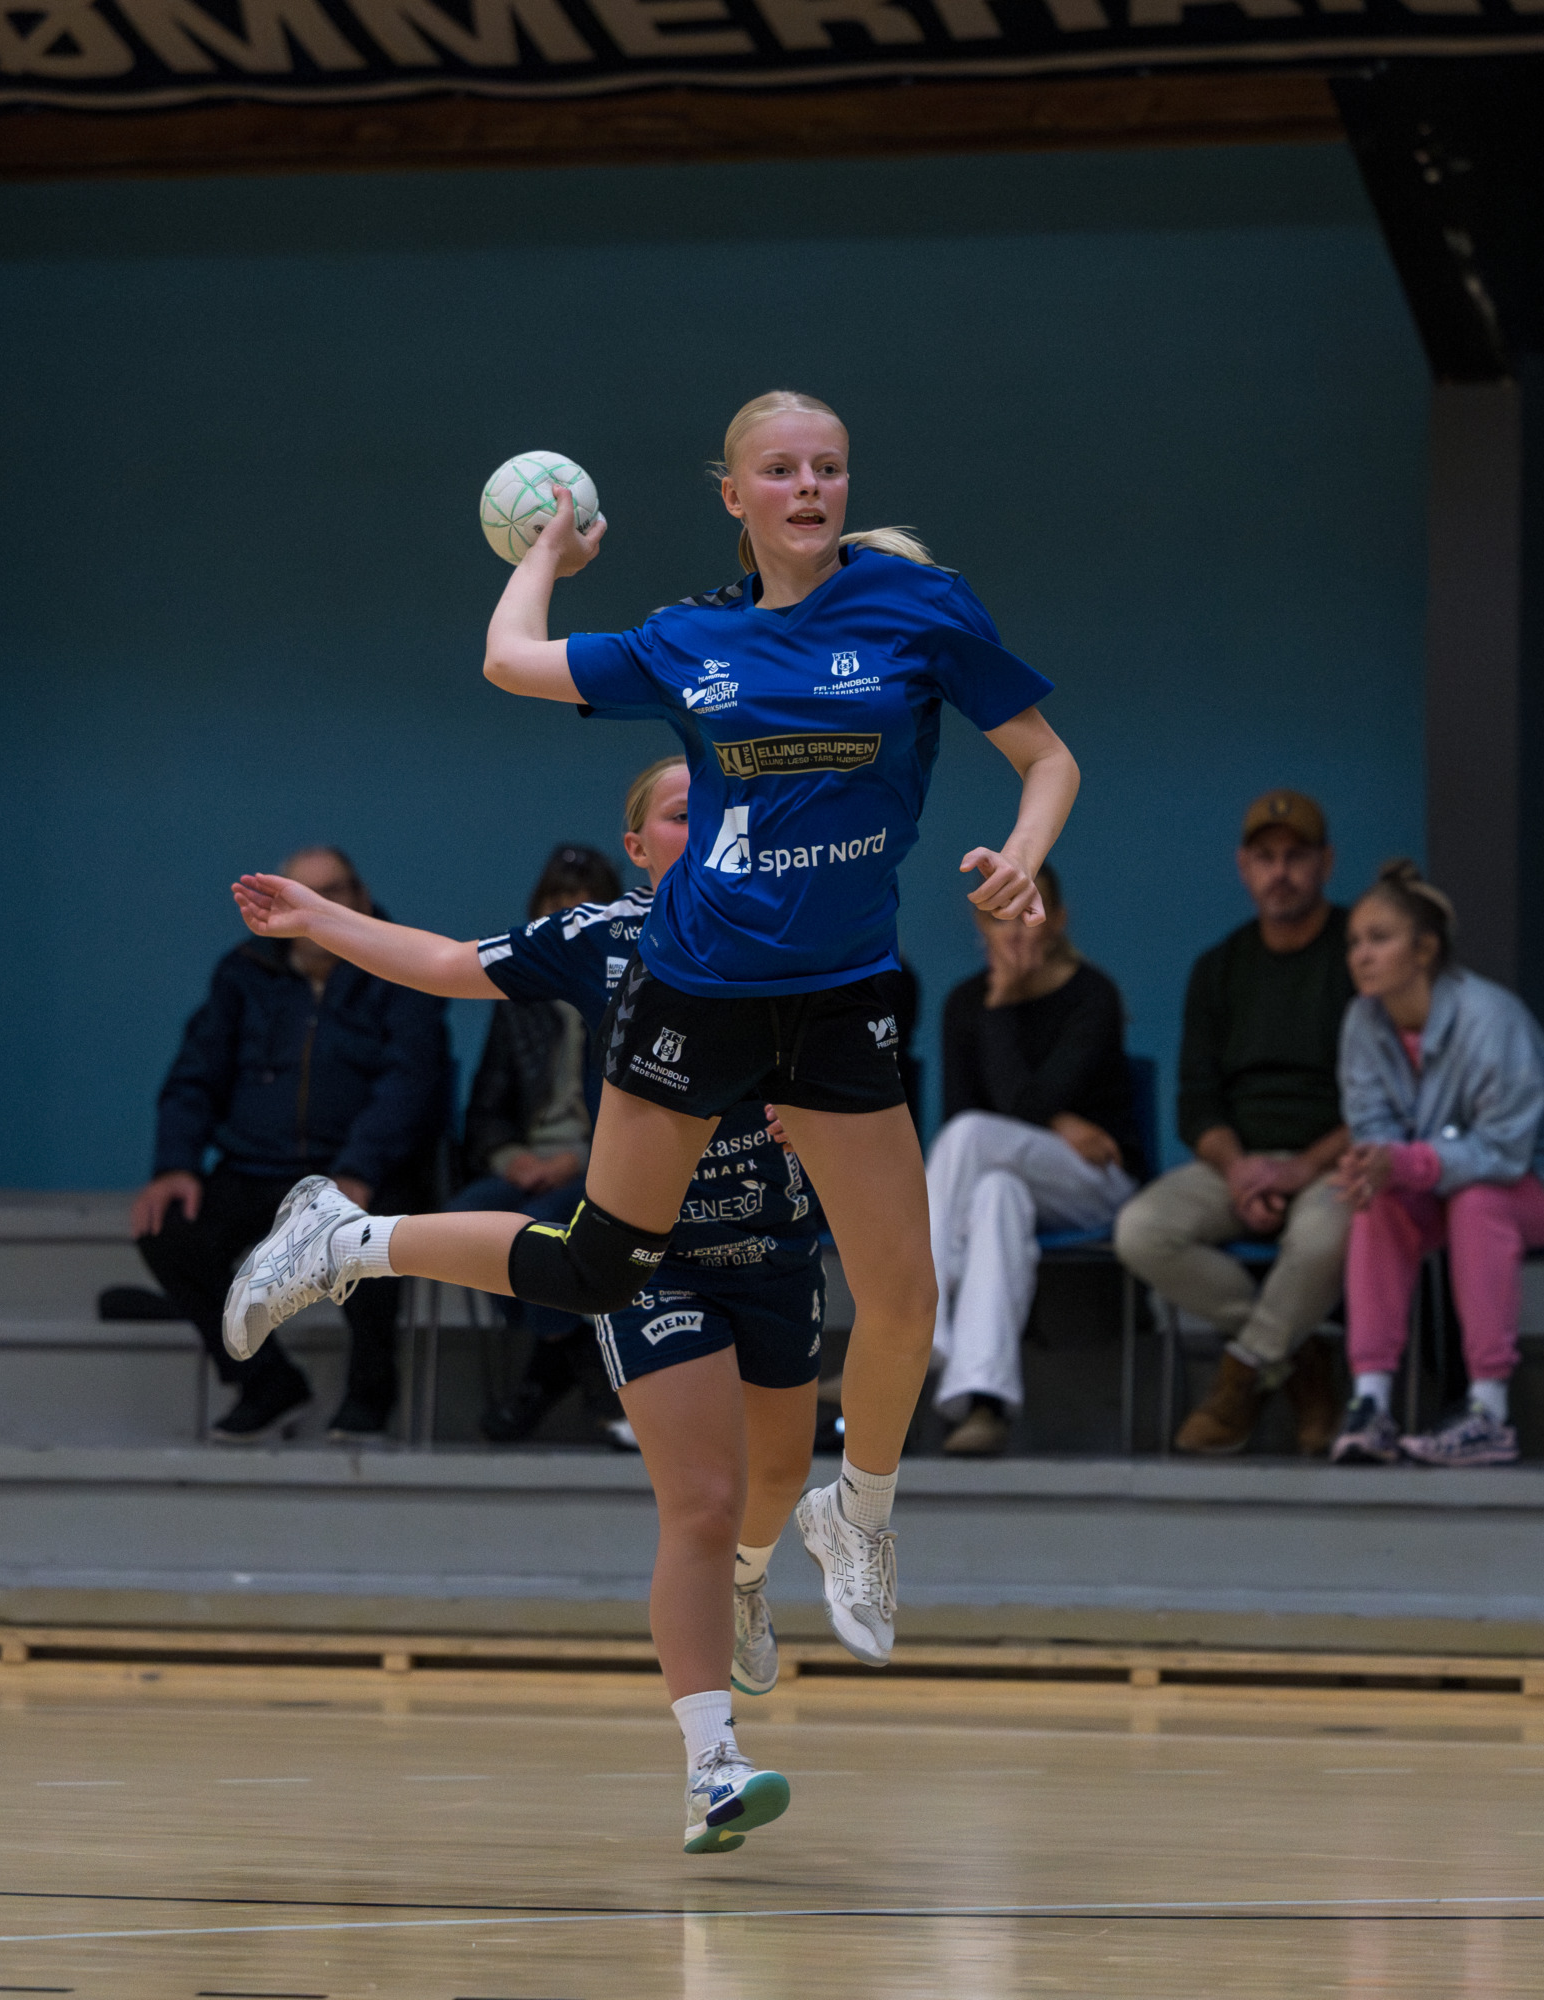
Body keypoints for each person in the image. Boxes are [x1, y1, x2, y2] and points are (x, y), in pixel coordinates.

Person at [219, 388, 1076, 1694]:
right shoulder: (691, 638)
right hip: (697, 985)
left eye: (828, 467)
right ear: (734, 495)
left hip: (841, 990)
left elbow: (1048, 759)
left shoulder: (921, 610)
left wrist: (1020, 857)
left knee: (907, 1296)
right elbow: (511, 662)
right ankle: (343, 1241)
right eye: (779, 470)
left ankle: (860, 1515)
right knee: (599, 1261)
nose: (808, 487)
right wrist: (548, 555)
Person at [229, 757, 821, 1854]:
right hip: (652, 1258)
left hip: (777, 1247)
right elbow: (448, 962)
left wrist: (821, 1110)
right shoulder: (608, 935)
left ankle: (747, 1580)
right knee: (701, 1502)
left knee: (776, 1480)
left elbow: (863, 1081)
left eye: (720, 805)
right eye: (679, 811)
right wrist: (323, 917)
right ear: (639, 847)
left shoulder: (804, 925)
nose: (705, 822)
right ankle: (713, 1767)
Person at [1326, 860, 1544, 1467]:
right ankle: (1371, 1403)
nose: (1360, 956)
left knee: (1479, 1202)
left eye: (1379, 939)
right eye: (1354, 942)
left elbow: (1503, 1152)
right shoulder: (1362, 1021)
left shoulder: (1490, 1015)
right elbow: (1375, 1131)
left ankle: (1489, 1412)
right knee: (1378, 1198)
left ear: (1425, 950)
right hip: (1462, 1177)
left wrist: (1408, 1162)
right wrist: (1375, 1164)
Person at [128, 844, 449, 1443]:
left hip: (363, 1167)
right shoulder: (243, 972)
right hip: (257, 1165)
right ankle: (266, 1384)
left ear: (362, 897)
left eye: (337, 890)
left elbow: (411, 1084)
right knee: (167, 1230)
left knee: (369, 1231)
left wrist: (357, 1169)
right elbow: (195, 1074)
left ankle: (370, 1395)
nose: (322, 904)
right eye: (306, 892)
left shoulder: (403, 964)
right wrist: (175, 1163)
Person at [1115, 789, 1356, 1457]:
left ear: (1326, 863)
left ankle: (1243, 1375)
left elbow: (1381, 1101)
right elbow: (1197, 1103)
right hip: (1237, 1162)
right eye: (1265, 858)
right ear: (1243, 867)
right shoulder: (1219, 967)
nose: (1281, 873)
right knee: (1141, 1231)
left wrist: (1301, 1168)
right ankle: (1297, 1355)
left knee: (1326, 1239)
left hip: (1330, 1160)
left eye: (1296, 857)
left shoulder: (1357, 954)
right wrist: (1242, 1169)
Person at [924, 862, 1144, 1456]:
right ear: (981, 927)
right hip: (1013, 1172)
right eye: (1000, 915)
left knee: (973, 1138)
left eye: (1029, 910)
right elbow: (966, 1110)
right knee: (996, 1192)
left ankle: (920, 1326)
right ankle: (982, 1398)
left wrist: (1002, 1007)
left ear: (1058, 920)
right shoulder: (963, 1003)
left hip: (1097, 1181)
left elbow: (1024, 1106)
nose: (1016, 928)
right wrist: (1058, 1123)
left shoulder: (1092, 994)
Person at [454, 841, 627, 1445]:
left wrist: (576, 1160)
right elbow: (485, 1111)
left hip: (603, 1163)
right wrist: (512, 1159)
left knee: (543, 1225)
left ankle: (549, 1369)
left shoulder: (630, 990)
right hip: (529, 1164)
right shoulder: (519, 1001)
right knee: (466, 1217)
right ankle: (568, 1353)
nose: (569, 915)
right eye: (556, 902)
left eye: (584, 902)